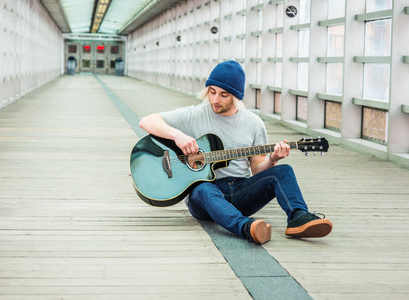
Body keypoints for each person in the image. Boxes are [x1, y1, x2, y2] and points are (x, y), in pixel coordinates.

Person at [139, 60, 332, 244]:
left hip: (240, 191)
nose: (215, 100)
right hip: (205, 195)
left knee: (284, 171)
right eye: (212, 92)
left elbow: (257, 169)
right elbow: (147, 121)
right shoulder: (195, 114)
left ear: (236, 96)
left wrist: (272, 160)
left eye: (224, 95)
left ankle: (299, 218)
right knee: (203, 188)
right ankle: (247, 228)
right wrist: (177, 135)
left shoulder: (253, 123)